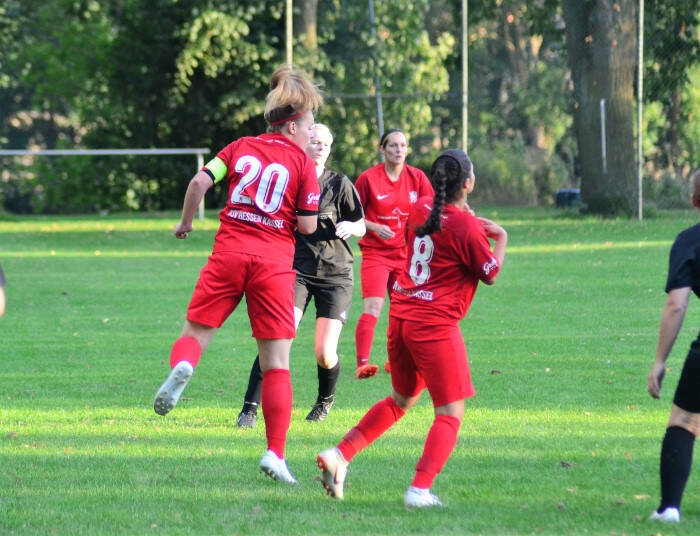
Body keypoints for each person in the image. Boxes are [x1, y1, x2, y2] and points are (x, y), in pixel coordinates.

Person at [153, 64, 323, 485]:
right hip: (274, 266)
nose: (311, 135)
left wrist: (186, 223)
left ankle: (184, 367)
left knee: (195, 334)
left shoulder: (239, 147)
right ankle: (275, 453)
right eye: (309, 127)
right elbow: (307, 225)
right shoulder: (303, 164)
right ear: (291, 127)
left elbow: (199, 182)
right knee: (276, 363)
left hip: (229, 253)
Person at [316, 149, 507, 507]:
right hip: (433, 325)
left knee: (401, 399)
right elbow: (490, 273)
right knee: (450, 412)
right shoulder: (466, 226)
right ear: (468, 183)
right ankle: (419, 490)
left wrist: (466, 220)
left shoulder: (421, 209)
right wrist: (502, 238)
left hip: (402, 316)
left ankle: (340, 455)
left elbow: (435, 238)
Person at [236, 123, 366, 428]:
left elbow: (361, 223)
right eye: (315, 141)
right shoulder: (289, 180)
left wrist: (351, 226)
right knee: (278, 338)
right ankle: (249, 410)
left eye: (326, 144)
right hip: (296, 271)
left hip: (336, 274)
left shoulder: (339, 184)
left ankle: (324, 401)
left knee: (324, 352)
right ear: (303, 143)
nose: (320, 148)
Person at [353, 128, 434, 379]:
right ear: (382, 149)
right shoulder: (368, 179)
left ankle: (395, 361)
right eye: (393, 145)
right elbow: (350, 215)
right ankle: (362, 364)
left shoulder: (417, 178)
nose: (399, 150)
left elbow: (433, 208)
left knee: (403, 311)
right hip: (376, 253)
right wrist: (374, 226)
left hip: (406, 256)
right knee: (373, 307)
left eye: (403, 145)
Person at [647, 168, 700, 524]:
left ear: (693, 200)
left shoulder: (689, 242)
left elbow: (676, 304)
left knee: (683, 421)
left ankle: (669, 509)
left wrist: (659, 360)